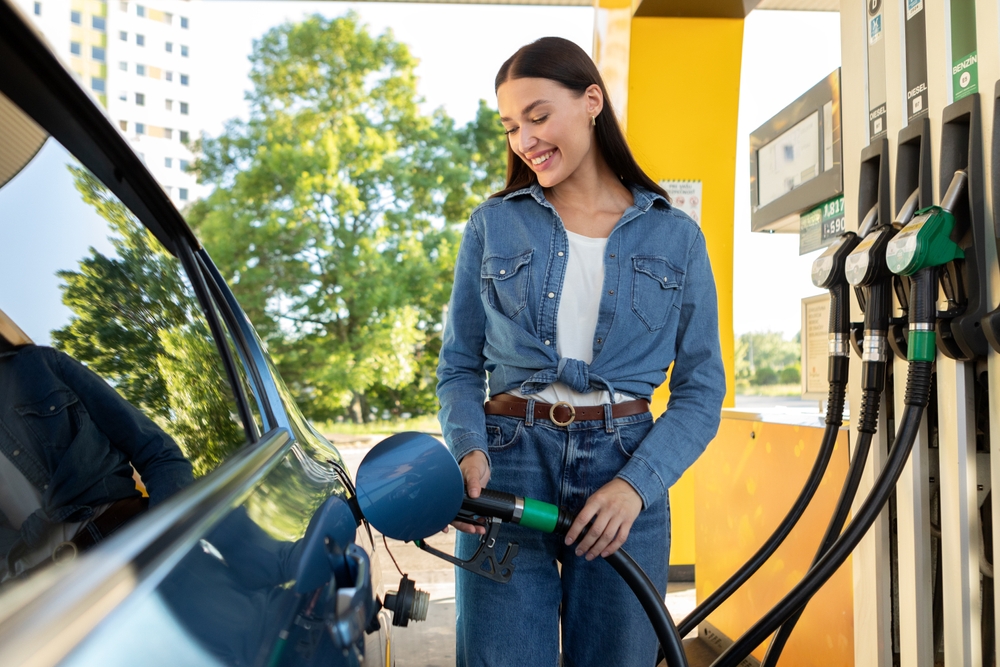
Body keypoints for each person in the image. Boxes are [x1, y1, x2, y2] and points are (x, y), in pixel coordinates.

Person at [435, 37, 725, 666]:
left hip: (624, 466)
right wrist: (468, 451)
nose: (525, 140)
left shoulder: (675, 235)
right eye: (511, 126)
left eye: (538, 116)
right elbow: (459, 365)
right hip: (507, 467)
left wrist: (635, 487)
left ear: (591, 100)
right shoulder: (493, 224)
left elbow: (703, 391)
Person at [0, 307, 193, 581]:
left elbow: (158, 452)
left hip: (126, 543)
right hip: (36, 599)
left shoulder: (40, 366)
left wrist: (167, 537)